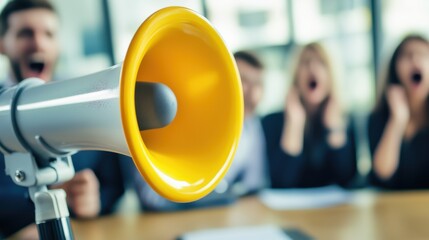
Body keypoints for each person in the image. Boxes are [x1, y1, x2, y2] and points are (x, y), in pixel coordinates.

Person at [0, 0, 124, 237]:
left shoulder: (84, 104)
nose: (39, 43)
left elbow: (113, 185)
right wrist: (38, 200)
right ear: (2, 43)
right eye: (25, 33)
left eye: (49, 34)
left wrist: (96, 201)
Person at [133, 51, 268, 211]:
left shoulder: (251, 126)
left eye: (258, 84)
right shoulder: (187, 119)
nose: (252, 93)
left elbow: (254, 186)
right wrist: (221, 195)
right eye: (243, 80)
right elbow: (151, 197)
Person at [263, 42, 357, 189]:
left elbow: (347, 179)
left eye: (321, 63)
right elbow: (281, 182)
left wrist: (333, 127)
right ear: (295, 75)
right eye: (305, 63)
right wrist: (294, 123)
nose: (312, 68)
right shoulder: (272, 122)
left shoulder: (347, 120)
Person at [369, 34, 429, 189]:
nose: (415, 60)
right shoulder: (379, 116)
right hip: (389, 206)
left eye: (423, 55)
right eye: (407, 55)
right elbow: (383, 173)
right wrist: (397, 120)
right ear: (395, 68)